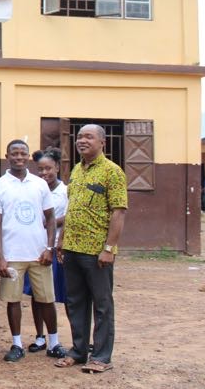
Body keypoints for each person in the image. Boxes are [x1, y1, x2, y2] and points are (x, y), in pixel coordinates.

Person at [56, 124, 128, 374]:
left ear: (102, 142)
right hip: (73, 248)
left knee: (102, 304)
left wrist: (109, 248)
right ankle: (78, 351)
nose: (82, 141)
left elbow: (118, 212)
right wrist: (62, 239)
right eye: (79, 137)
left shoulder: (113, 172)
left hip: (97, 251)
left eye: (88, 137)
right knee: (75, 302)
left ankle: (102, 356)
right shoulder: (76, 170)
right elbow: (72, 208)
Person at [0, 140, 58, 364]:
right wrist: (0, 256)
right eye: (14, 153)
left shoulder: (39, 184)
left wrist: (50, 248)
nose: (19, 157)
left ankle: (54, 342)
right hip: (12, 255)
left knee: (46, 299)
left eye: (23, 153)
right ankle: (17, 344)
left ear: (29, 156)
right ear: (7, 156)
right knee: (13, 300)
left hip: (39, 253)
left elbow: (50, 219)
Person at [25, 149, 68, 357]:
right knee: (36, 294)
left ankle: (62, 338)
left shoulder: (65, 191)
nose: (44, 173)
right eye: (40, 169)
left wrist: (50, 220)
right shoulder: (32, 188)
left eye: (48, 168)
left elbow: (68, 216)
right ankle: (39, 336)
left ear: (58, 168)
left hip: (57, 248)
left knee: (59, 295)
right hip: (35, 247)